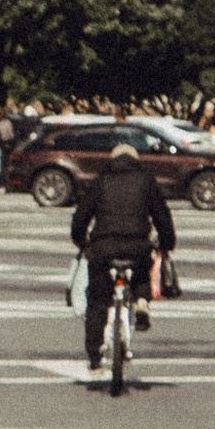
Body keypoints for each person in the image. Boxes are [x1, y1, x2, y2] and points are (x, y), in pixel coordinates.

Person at [71, 132, 174, 371]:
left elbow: (81, 217)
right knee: (140, 271)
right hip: (137, 244)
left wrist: (82, 242)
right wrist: (166, 243)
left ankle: (95, 356)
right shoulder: (146, 181)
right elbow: (162, 216)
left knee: (97, 299)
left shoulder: (100, 181)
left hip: (103, 246)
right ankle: (141, 301)